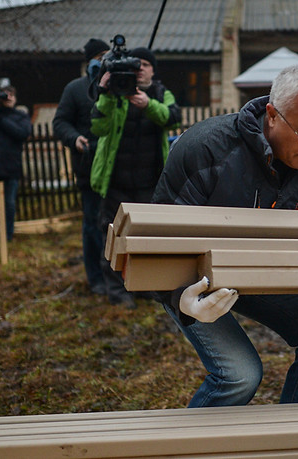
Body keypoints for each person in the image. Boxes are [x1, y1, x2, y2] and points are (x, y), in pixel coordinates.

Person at [151, 65, 298, 407]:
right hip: (196, 278)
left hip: (262, 267)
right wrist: (180, 299)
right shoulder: (206, 149)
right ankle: (190, 449)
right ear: (273, 115)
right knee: (240, 375)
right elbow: (160, 240)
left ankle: (292, 440)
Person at [90, 46, 181, 308]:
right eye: (135, 64)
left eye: (144, 64)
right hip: (116, 180)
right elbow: (98, 126)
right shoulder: (115, 93)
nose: (139, 69)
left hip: (149, 182)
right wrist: (105, 93)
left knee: (145, 238)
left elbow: (173, 118)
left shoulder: (162, 93)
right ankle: (117, 292)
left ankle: (142, 287)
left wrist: (148, 105)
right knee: (112, 236)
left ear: (153, 69)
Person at [53, 38, 110, 295]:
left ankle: (120, 277)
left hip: (119, 171)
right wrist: (74, 138)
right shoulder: (75, 89)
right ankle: (96, 278)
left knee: (117, 227)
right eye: (99, 55)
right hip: (89, 169)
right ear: (89, 60)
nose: (103, 59)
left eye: (106, 54)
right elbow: (60, 122)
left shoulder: (120, 86)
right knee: (92, 225)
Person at [0, 85, 32, 246]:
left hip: (11, 167)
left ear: (16, 98)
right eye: (5, 95)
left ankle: (8, 235)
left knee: (9, 205)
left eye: (11, 95)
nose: (8, 97)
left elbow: (22, 133)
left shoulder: (20, 116)